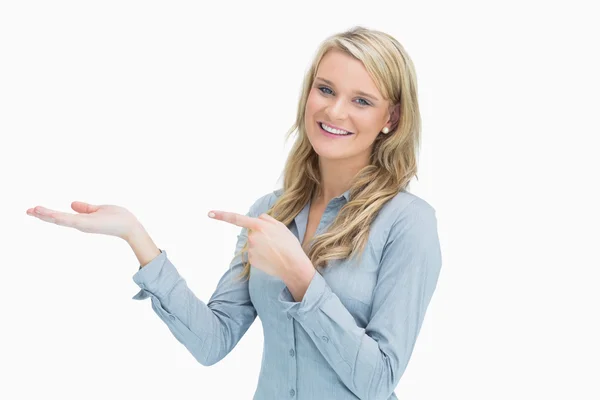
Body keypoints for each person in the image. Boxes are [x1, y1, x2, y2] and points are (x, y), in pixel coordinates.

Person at [26, 26, 442, 400]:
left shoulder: (408, 223)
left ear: (392, 117)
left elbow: (378, 381)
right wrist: (135, 236)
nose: (334, 112)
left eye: (362, 100)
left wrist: (299, 275)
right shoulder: (270, 212)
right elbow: (213, 341)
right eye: (326, 90)